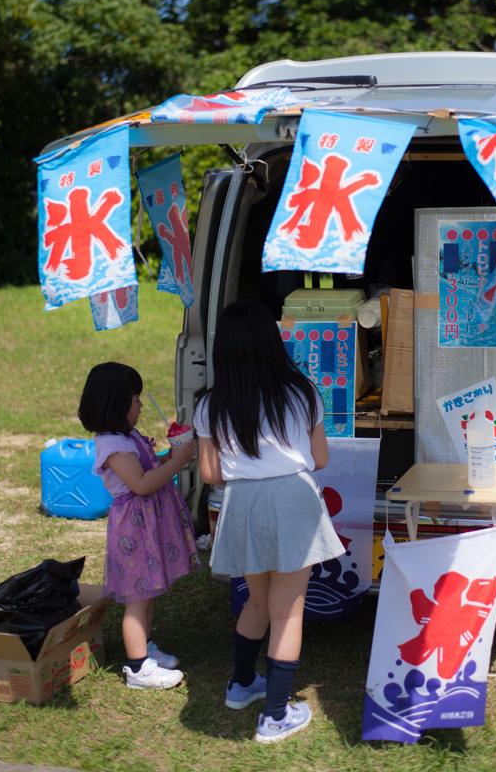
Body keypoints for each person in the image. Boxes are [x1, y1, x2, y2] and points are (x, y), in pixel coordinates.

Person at [194, 299, 344, 744]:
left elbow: (209, 474)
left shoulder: (211, 404)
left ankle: (242, 686)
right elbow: (319, 459)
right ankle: (276, 716)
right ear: (271, 341)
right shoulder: (302, 392)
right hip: (294, 500)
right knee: (288, 610)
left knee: (257, 604)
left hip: (241, 504)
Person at [79, 362, 200, 690]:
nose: (141, 405)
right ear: (115, 404)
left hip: (145, 526)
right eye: (135, 399)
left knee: (148, 593)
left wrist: (170, 455)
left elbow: (149, 467)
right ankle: (137, 669)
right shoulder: (112, 445)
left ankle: (145, 650)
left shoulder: (127, 436)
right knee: (137, 598)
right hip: (133, 530)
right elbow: (142, 484)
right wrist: (176, 463)